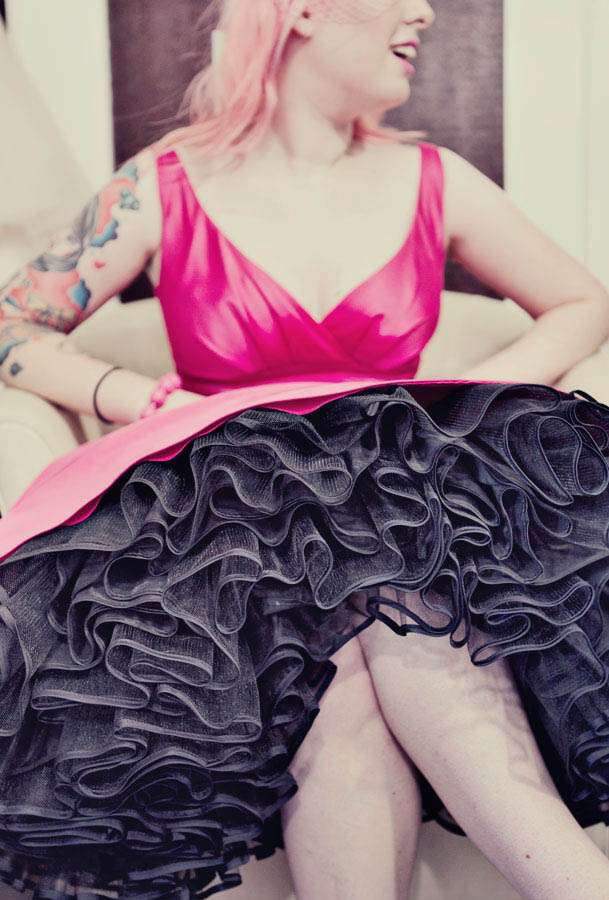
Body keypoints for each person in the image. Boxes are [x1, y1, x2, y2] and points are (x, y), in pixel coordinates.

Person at [1, 1, 609, 898]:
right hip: (231, 524)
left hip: (399, 493)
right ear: (304, 11)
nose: (423, 11)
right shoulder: (164, 183)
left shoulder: (433, 179)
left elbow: (583, 301)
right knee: (350, 630)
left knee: (382, 605)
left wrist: (467, 395)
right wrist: (137, 396)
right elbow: (12, 323)